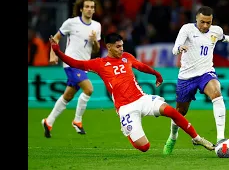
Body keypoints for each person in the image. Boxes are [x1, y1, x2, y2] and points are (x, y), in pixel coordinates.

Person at [48, 32, 215, 153]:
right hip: (125, 108)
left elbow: (140, 66)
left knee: (171, 111)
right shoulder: (100, 64)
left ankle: (196, 138)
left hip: (141, 99)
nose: (122, 49)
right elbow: (75, 63)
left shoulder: (127, 57)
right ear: (109, 47)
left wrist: (156, 73)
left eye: (122, 46)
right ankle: (126, 128)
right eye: (118, 46)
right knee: (144, 148)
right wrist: (58, 51)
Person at [163, 6, 229, 155]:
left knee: (217, 93)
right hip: (186, 76)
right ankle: (172, 137)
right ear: (196, 18)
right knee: (180, 112)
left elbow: (222, 37)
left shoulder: (215, 30)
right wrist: (180, 48)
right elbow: (174, 48)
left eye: (208, 23)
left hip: (206, 73)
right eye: (202, 22)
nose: (205, 26)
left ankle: (220, 139)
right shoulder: (187, 29)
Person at [41, 0, 101, 138]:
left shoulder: (96, 26)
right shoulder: (71, 23)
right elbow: (55, 38)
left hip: (83, 65)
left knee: (67, 96)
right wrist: (53, 54)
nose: (89, 9)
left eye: (92, 7)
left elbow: (96, 50)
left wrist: (95, 41)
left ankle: (48, 121)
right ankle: (77, 121)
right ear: (81, 8)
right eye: (87, 6)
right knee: (89, 89)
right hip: (70, 62)